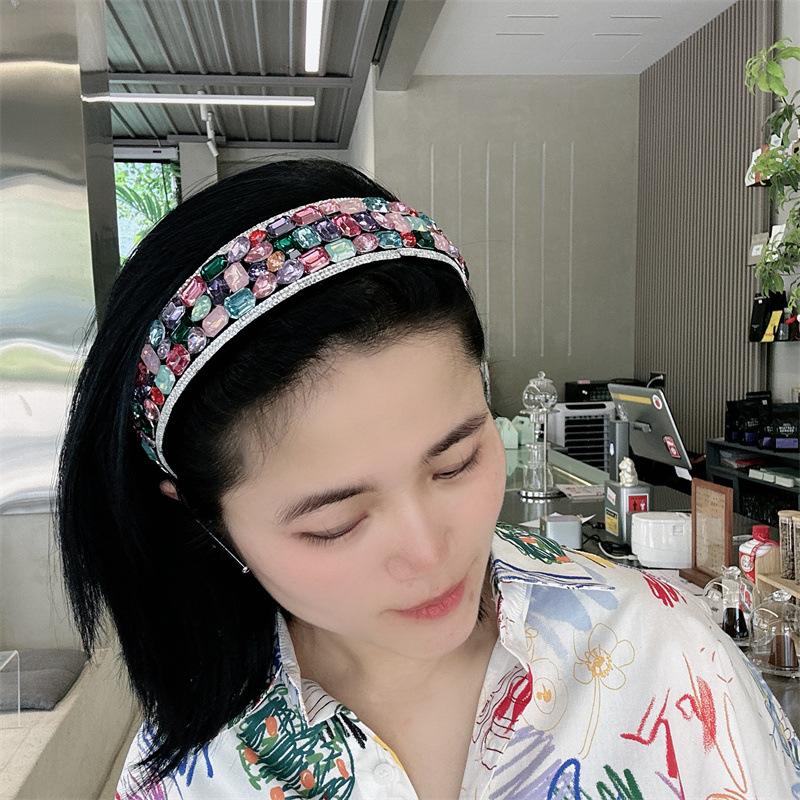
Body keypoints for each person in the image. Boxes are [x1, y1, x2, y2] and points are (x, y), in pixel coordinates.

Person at [54, 158, 799, 800]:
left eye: (457, 461)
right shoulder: (196, 771)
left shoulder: (668, 659)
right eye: (335, 523)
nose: (429, 551)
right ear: (204, 518)